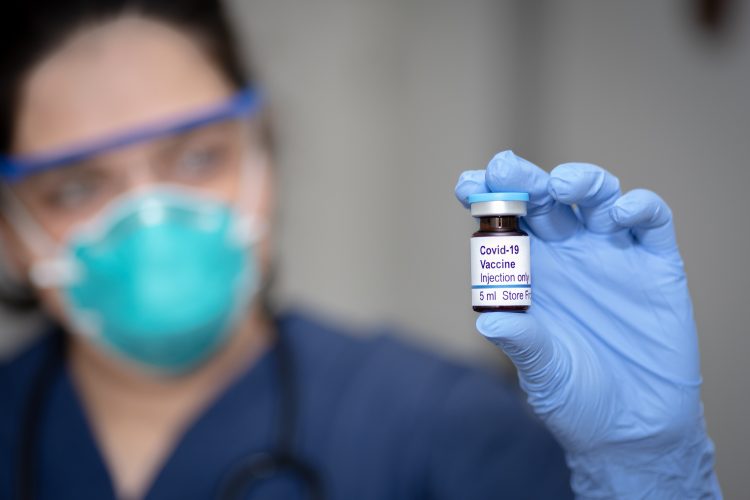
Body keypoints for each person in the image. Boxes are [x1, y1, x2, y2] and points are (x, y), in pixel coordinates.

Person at [0, 1, 720, 499]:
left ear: (265, 153)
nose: (150, 221)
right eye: (76, 188)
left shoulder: (443, 429)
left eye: (196, 159)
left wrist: (647, 477)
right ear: (11, 230)